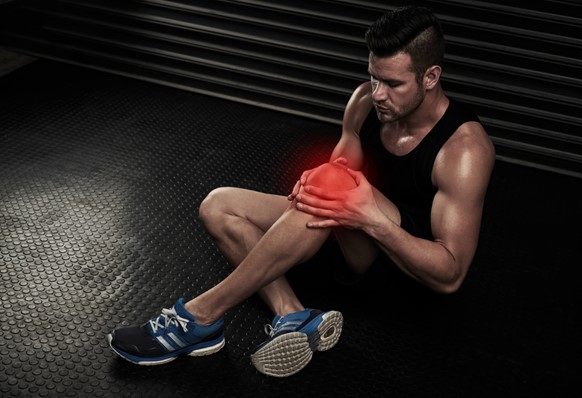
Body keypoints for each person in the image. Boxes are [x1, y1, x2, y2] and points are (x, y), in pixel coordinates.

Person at [107, 5, 495, 377]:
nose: (378, 93)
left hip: (400, 271)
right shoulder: (365, 102)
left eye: (393, 83)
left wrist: (370, 218)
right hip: (348, 236)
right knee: (219, 205)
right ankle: (292, 315)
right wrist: (316, 181)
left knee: (335, 188)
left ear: (430, 77)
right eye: (374, 76)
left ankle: (200, 316)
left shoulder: (463, 150)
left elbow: (450, 275)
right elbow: (340, 169)